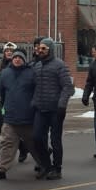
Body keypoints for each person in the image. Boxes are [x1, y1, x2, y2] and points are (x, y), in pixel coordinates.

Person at [0, 49, 40, 180]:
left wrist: (35, 107)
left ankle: (43, 164)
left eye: (20, 58)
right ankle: (0, 169)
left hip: (28, 117)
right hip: (10, 117)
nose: (17, 59)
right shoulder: (5, 73)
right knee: (7, 143)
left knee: (34, 144)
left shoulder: (32, 73)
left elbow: (38, 92)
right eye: (15, 57)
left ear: (24, 60)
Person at [31, 38, 74, 179]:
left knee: (55, 140)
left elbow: (68, 87)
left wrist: (62, 105)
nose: (41, 51)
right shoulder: (37, 66)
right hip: (40, 109)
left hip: (55, 110)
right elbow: (33, 87)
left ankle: (57, 169)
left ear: (50, 50)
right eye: (39, 48)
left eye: (44, 49)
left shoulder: (59, 65)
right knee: (37, 138)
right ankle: (45, 165)